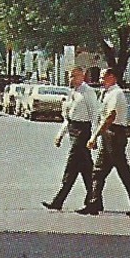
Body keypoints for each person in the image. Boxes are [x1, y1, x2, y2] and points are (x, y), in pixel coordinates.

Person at [81, 68, 130, 216]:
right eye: (100, 77)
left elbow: (110, 116)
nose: (101, 80)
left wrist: (94, 136)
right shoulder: (107, 93)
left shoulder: (116, 93)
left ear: (113, 77)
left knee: (122, 171)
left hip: (114, 134)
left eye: (103, 77)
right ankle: (94, 203)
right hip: (108, 134)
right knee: (98, 171)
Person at [42, 67, 100, 211]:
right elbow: (69, 117)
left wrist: (94, 137)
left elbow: (94, 116)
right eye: (70, 76)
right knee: (84, 169)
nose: (71, 79)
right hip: (73, 129)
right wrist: (60, 135)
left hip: (83, 131)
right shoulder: (72, 93)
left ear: (82, 76)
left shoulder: (88, 92)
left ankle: (59, 200)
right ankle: (94, 200)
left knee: (71, 164)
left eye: (74, 76)